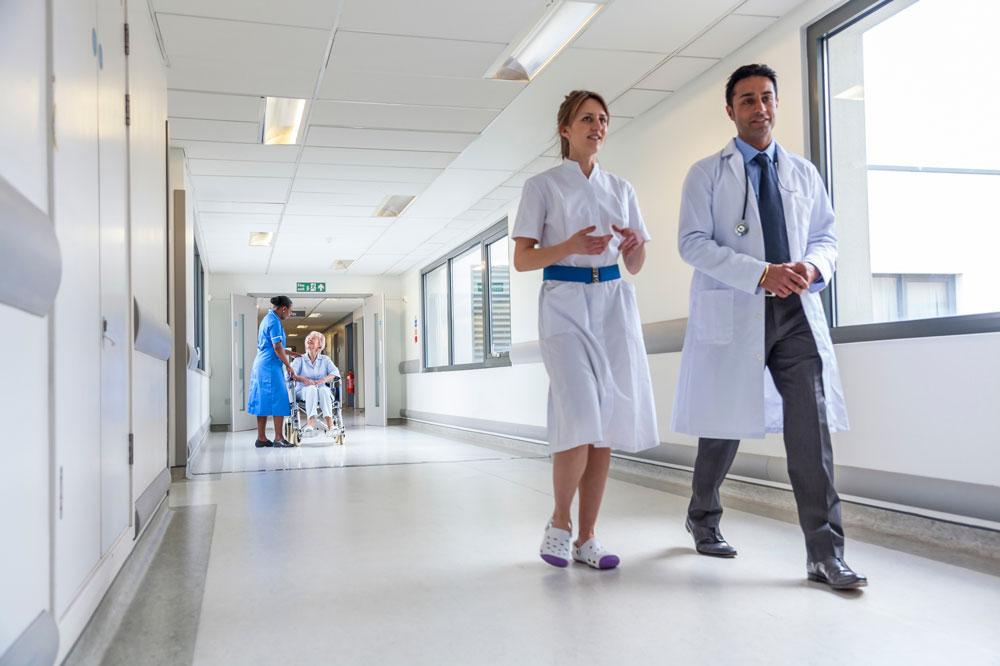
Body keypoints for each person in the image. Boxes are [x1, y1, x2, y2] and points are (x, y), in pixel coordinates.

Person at [672, 64, 865, 589]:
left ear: (777, 104)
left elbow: (827, 236)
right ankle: (703, 516)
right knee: (723, 424)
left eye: (767, 98)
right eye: (748, 99)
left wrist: (812, 267)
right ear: (731, 109)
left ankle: (825, 554)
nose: (760, 108)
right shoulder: (707, 173)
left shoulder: (803, 172)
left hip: (796, 313)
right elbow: (692, 243)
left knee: (811, 432)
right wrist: (760, 273)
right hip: (737, 309)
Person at [512, 90, 658, 570]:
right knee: (578, 413)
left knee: (606, 423)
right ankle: (559, 523)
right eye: (586, 119)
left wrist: (635, 245)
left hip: (613, 303)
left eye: (602, 119)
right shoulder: (543, 186)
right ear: (565, 130)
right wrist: (569, 244)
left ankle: (588, 536)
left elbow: (634, 264)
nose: (596, 126)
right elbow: (523, 259)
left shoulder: (622, 188)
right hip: (565, 303)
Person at [247, 295, 304, 448]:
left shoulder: (267, 319)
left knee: (263, 401)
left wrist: (291, 354)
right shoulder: (274, 321)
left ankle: (261, 438)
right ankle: (279, 438)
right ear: (283, 308)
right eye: (290, 311)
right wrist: (289, 365)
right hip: (270, 366)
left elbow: (272, 345)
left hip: (261, 364)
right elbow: (277, 348)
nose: (290, 314)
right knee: (280, 399)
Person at [292, 331, 340, 433]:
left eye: (313, 338)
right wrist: (304, 380)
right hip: (303, 392)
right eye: (308, 337)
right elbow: (291, 374)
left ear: (320, 345)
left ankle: (330, 423)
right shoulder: (299, 359)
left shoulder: (325, 359)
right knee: (311, 389)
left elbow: (335, 372)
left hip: (322, 390)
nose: (309, 339)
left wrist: (324, 379)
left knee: (324, 390)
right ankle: (311, 422)